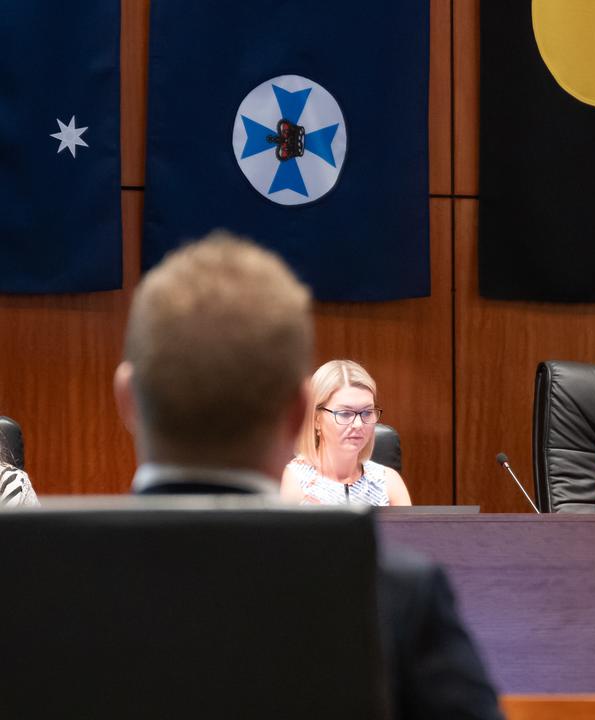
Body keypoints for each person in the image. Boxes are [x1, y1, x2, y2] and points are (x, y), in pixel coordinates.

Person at [113, 232, 501, 719]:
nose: (358, 426)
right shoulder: (402, 597)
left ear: (126, 399)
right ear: (302, 412)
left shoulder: (41, 584)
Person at [282, 359, 411, 506]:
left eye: (367, 412)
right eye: (345, 413)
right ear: (316, 419)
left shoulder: (388, 482)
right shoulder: (295, 481)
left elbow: (409, 529)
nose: (358, 424)